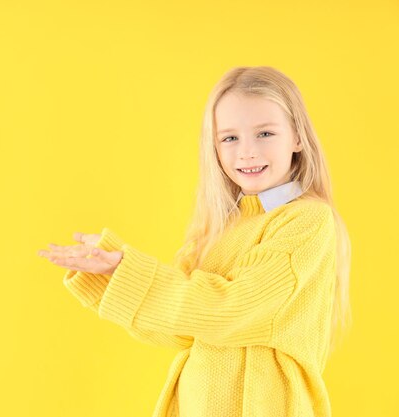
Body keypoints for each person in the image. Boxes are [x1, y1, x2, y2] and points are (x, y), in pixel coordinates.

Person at [37, 66, 352, 417]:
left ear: (297, 137)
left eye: (264, 133)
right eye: (230, 138)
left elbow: (233, 310)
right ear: (213, 147)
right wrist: (109, 275)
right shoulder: (217, 229)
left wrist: (126, 267)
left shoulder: (307, 221)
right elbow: (179, 330)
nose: (247, 152)